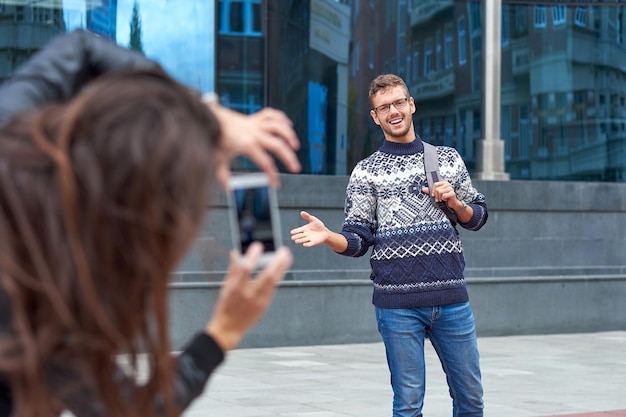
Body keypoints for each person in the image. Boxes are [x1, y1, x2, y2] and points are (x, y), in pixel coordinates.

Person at [0, 30, 301, 417]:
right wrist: (222, 332)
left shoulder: (9, 133)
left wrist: (205, 116)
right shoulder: (43, 306)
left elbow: (80, 48)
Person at [290, 73, 488, 417]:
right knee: (408, 405)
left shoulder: (447, 159)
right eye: (384, 107)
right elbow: (357, 240)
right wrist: (328, 236)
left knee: (471, 401)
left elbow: (478, 217)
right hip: (397, 306)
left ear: (411, 105)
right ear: (375, 116)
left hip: (452, 301)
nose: (393, 111)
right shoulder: (366, 172)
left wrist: (456, 203)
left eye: (398, 103)